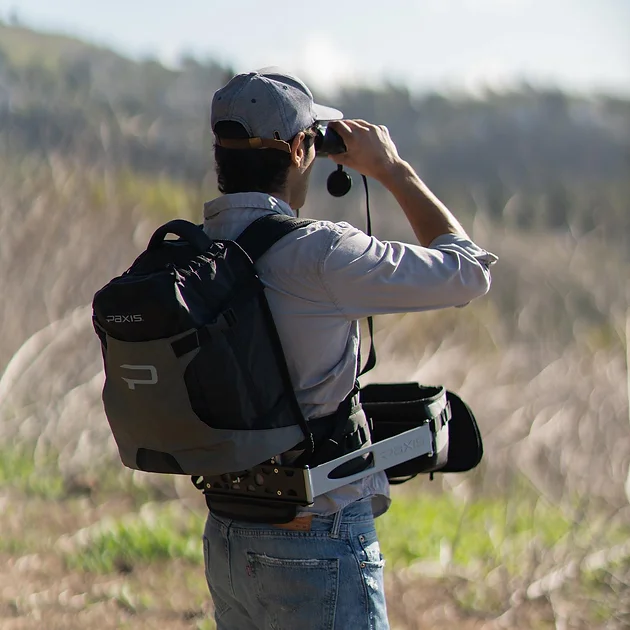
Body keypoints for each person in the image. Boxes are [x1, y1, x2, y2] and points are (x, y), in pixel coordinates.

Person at [202, 68, 497, 630]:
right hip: (317, 529)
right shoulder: (320, 254)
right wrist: (391, 169)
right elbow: (467, 274)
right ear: (299, 149)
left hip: (228, 533)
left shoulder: (197, 252)